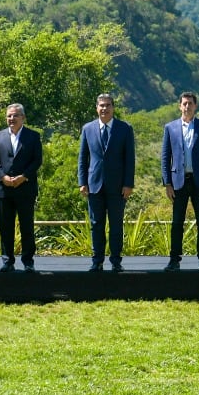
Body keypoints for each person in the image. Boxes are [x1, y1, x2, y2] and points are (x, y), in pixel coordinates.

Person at [77, 93, 135, 272]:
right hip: (94, 185)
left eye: (108, 105)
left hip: (118, 187)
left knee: (116, 225)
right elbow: (82, 158)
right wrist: (82, 182)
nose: (104, 108)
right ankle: (97, 261)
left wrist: (128, 184)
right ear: (96, 108)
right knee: (96, 225)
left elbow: (129, 159)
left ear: (113, 108)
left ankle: (116, 261)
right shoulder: (88, 128)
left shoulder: (124, 128)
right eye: (101, 105)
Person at [161, 91, 199, 271]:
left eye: (190, 103)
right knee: (177, 222)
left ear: (195, 106)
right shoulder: (170, 128)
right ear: (180, 106)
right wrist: (167, 183)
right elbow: (165, 157)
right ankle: (174, 259)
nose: (187, 106)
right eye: (184, 103)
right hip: (178, 182)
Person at [0, 103, 42, 273]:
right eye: (9, 116)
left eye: (15, 115)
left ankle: (28, 261)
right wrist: (3, 177)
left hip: (25, 188)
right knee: (5, 227)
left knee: (27, 225)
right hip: (5, 188)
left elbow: (37, 160)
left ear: (23, 118)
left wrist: (23, 177)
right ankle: (7, 261)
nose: (11, 119)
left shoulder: (33, 136)